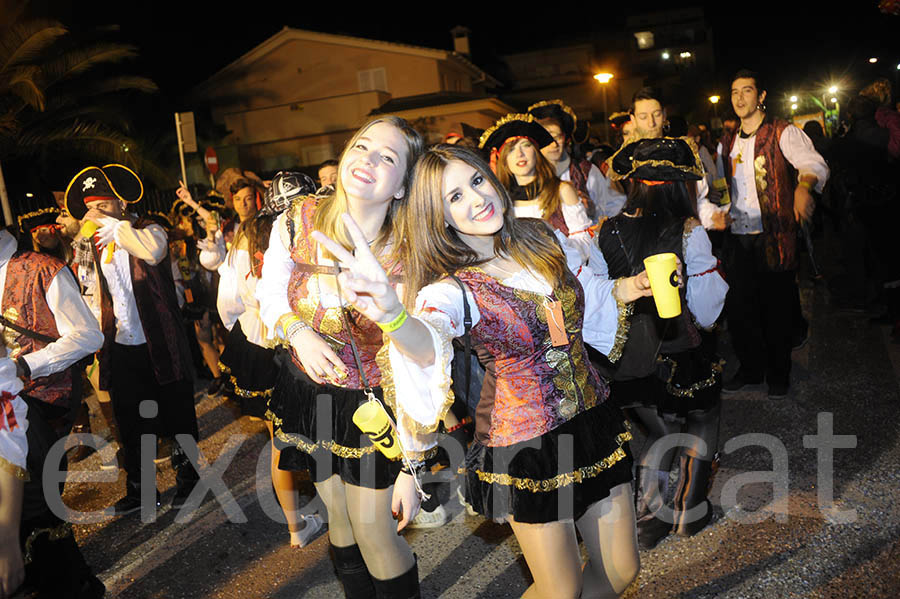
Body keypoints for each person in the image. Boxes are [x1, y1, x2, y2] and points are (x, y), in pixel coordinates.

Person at [314, 144, 663, 598]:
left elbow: (584, 293)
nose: (476, 199)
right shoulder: (453, 289)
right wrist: (394, 315)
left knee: (621, 570)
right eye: (454, 197)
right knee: (560, 590)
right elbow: (426, 343)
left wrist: (632, 286)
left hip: (592, 418)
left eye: (476, 181)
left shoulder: (540, 236)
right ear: (439, 218)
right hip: (526, 442)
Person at [256, 116, 427, 598]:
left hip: (376, 404)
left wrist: (412, 464)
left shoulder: (413, 250)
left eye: (387, 157)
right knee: (341, 525)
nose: (368, 159)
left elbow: (423, 360)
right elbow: (270, 290)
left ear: (402, 186)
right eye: (362, 145)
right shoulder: (297, 217)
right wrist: (298, 333)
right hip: (309, 392)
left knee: (375, 532)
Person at [598, 137, 728, 549]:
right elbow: (707, 311)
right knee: (703, 419)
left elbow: (603, 293)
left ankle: (649, 521)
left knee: (658, 432)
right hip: (679, 348)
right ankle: (689, 513)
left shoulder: (607, 229)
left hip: (629, 358)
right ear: (679, 185)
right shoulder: (690, 231)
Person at [191, 171, 326, 547]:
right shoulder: (319, 230)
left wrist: (249, 325)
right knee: (322, 433)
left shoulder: (246, 237)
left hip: (257, 345)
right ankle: (341, 516)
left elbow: (227, 304)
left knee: (281, 438)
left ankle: (297, 529)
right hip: (307, 346)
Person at [65, 163, 201, 513]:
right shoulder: (92, 245)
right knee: (130, 421)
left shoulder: (149, 229)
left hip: (161, 342)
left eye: (103, 205)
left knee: (177, 415)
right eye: (91, 208)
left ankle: (189, 481)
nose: (95, 213)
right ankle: (141, 492)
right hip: (122, 345)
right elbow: (93, 293)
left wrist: (118, 227)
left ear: (121, 203)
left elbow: (152, 252)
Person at [699, 69, 829, 399]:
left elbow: (814, 164)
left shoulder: (782, 132)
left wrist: (803, 187)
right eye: (735, 92)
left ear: (761, 96)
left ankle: (778, 373)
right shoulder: (725, 141)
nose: (740, 98)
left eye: (747, 91)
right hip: (738, 239)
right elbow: (720, 185)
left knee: (777, 308)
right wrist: (718, 211)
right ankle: (752, 368)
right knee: (742, 310)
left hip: (774, 237)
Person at [480, 113, 596, 261]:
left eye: (525, 146)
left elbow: (585, 243)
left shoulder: (562, 191)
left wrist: (554, 252)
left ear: (536, 152)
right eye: (511, 150)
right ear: (503, 160)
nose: (520, 154)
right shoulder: (500, 202)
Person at [529, 99, 627, 219]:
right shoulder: (527, 175)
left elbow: (615, 205)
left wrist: (591, 210)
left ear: (565, 138)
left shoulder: (585, 171)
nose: (554, 144)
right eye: (547, 138)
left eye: (558, 136)